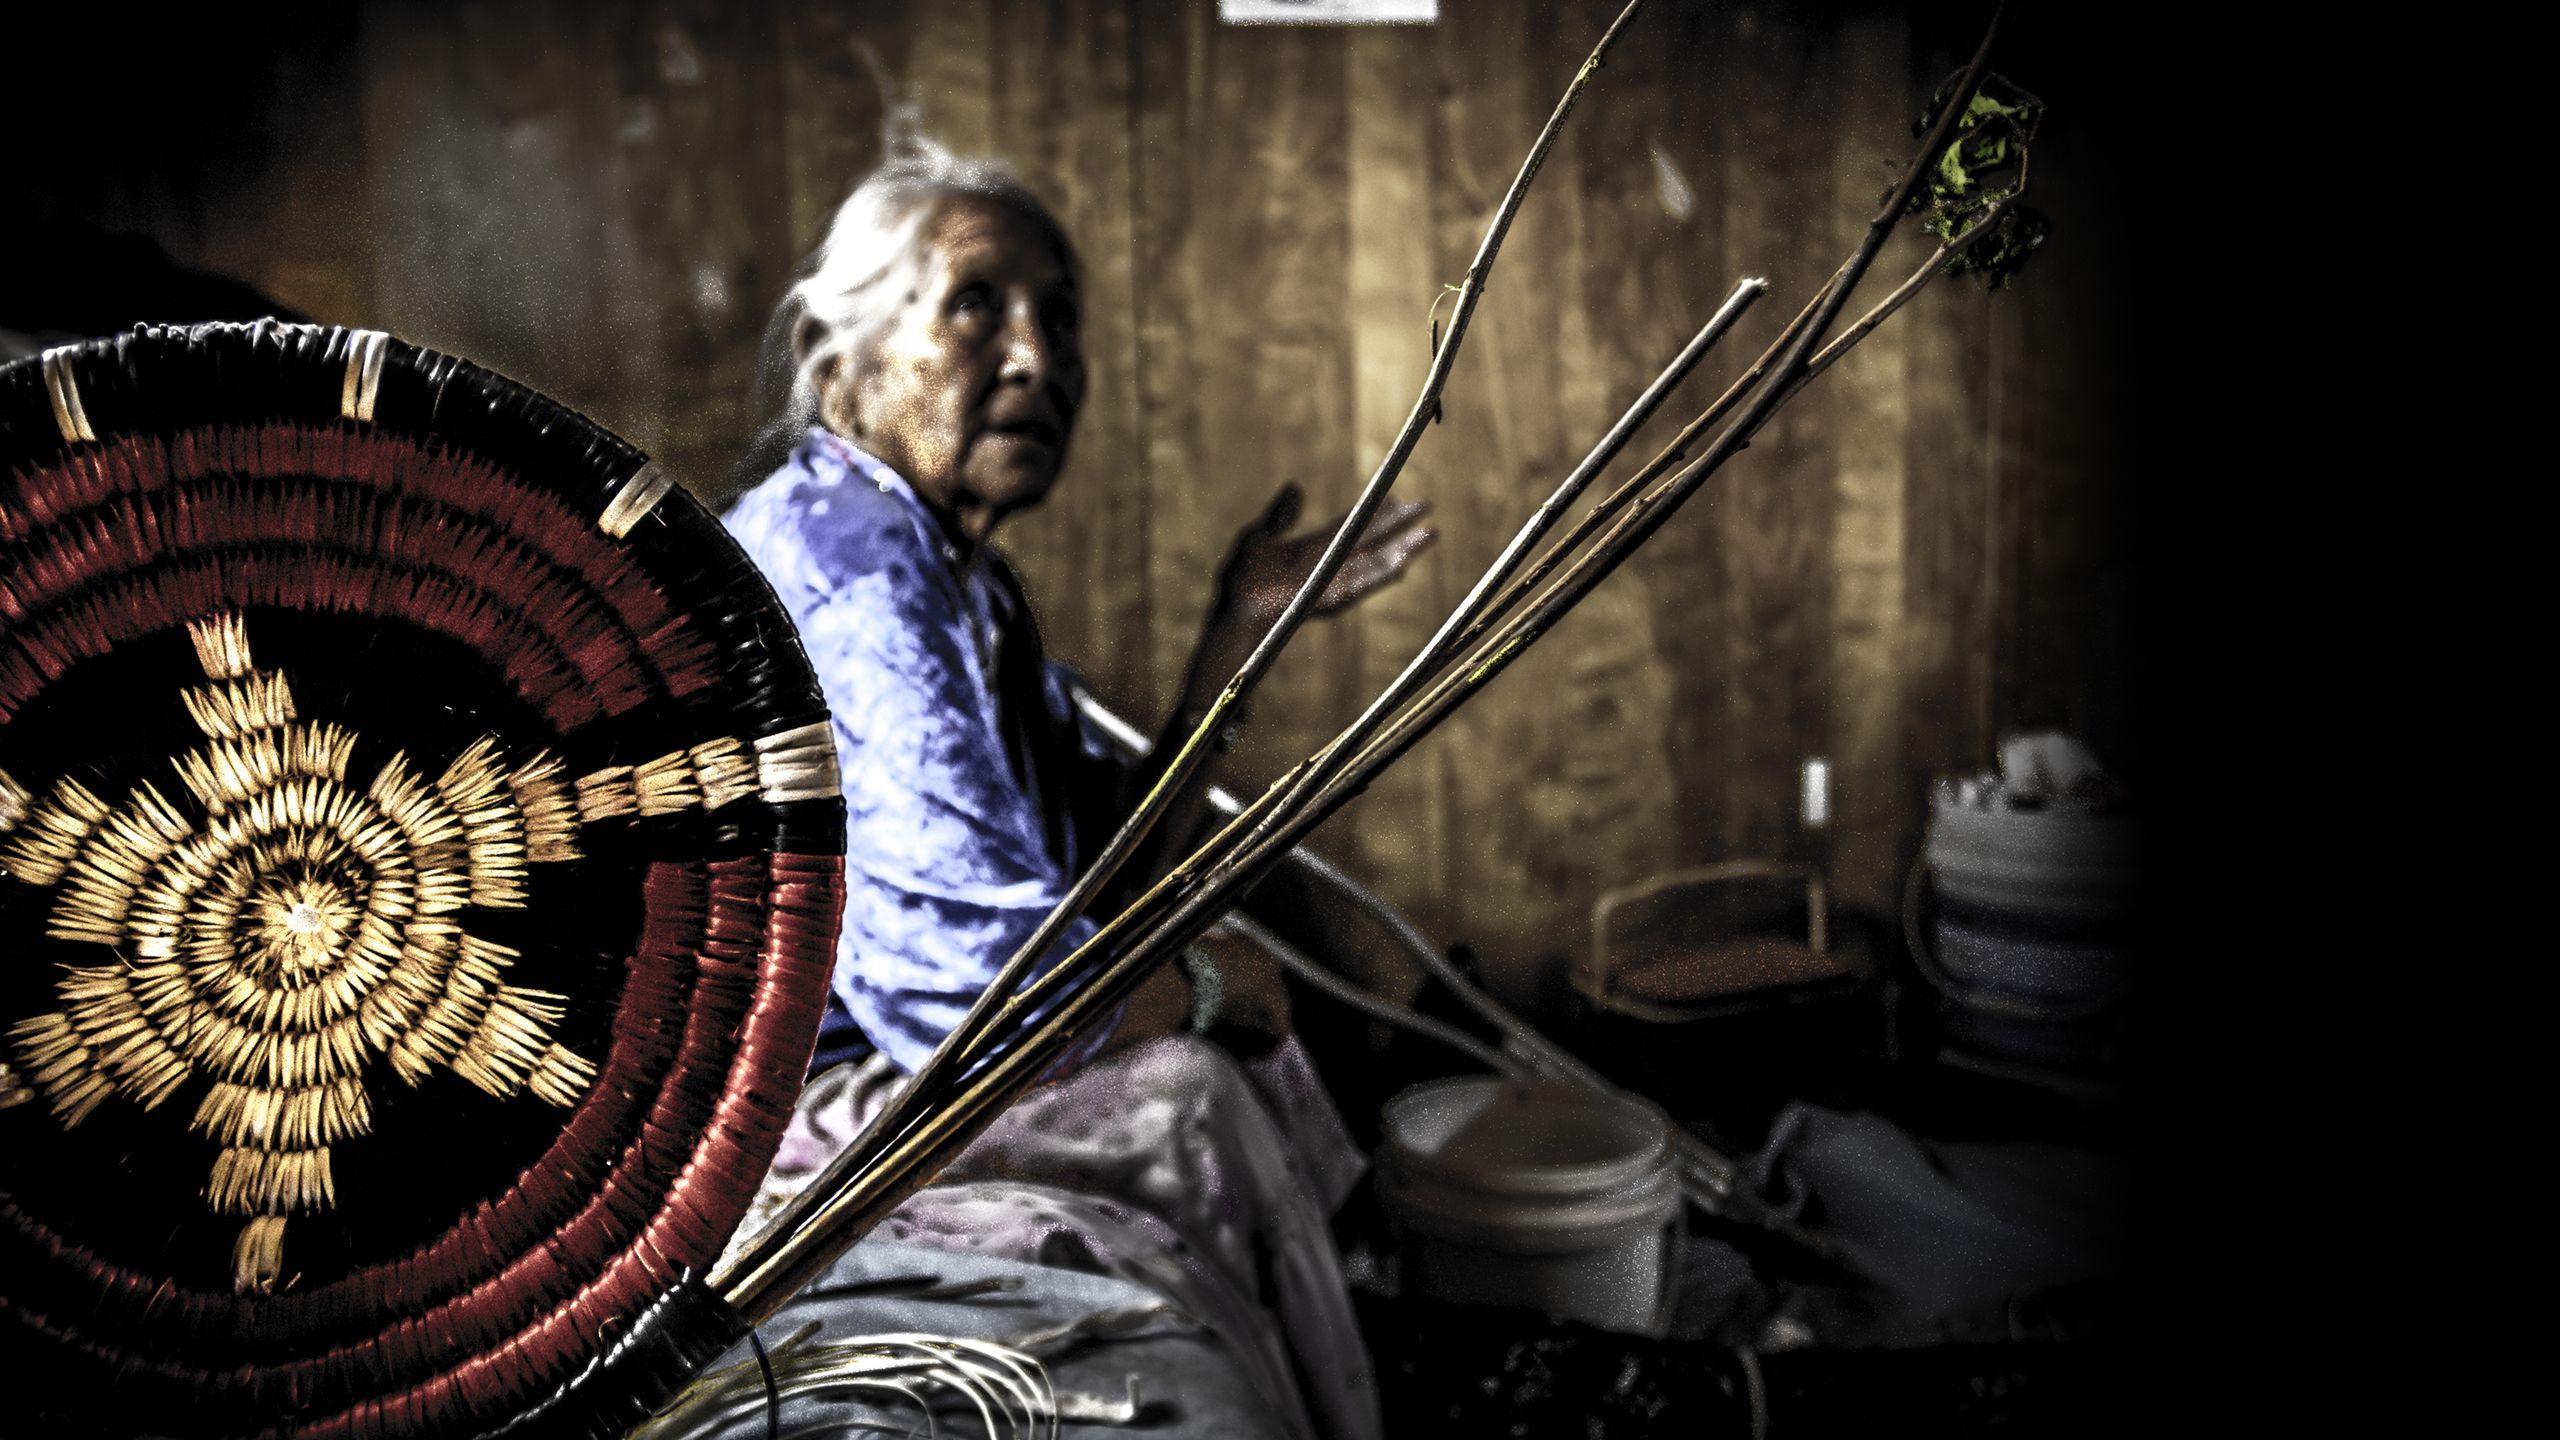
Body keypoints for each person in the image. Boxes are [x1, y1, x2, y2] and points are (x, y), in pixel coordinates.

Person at [723, 147, 1431, 1440]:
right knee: (1194, 1091)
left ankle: (1359, 1344)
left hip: (912, 1050)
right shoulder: (855, 586)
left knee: (1222, 1022)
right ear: (844, 357)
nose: (1038, 359)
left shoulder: (948, 577)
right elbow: (990, 1017)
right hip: (786, 1122)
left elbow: (1110, 883)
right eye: (976, 304)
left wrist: (1237, 635)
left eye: (1060, 317)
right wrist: (1211, 989)